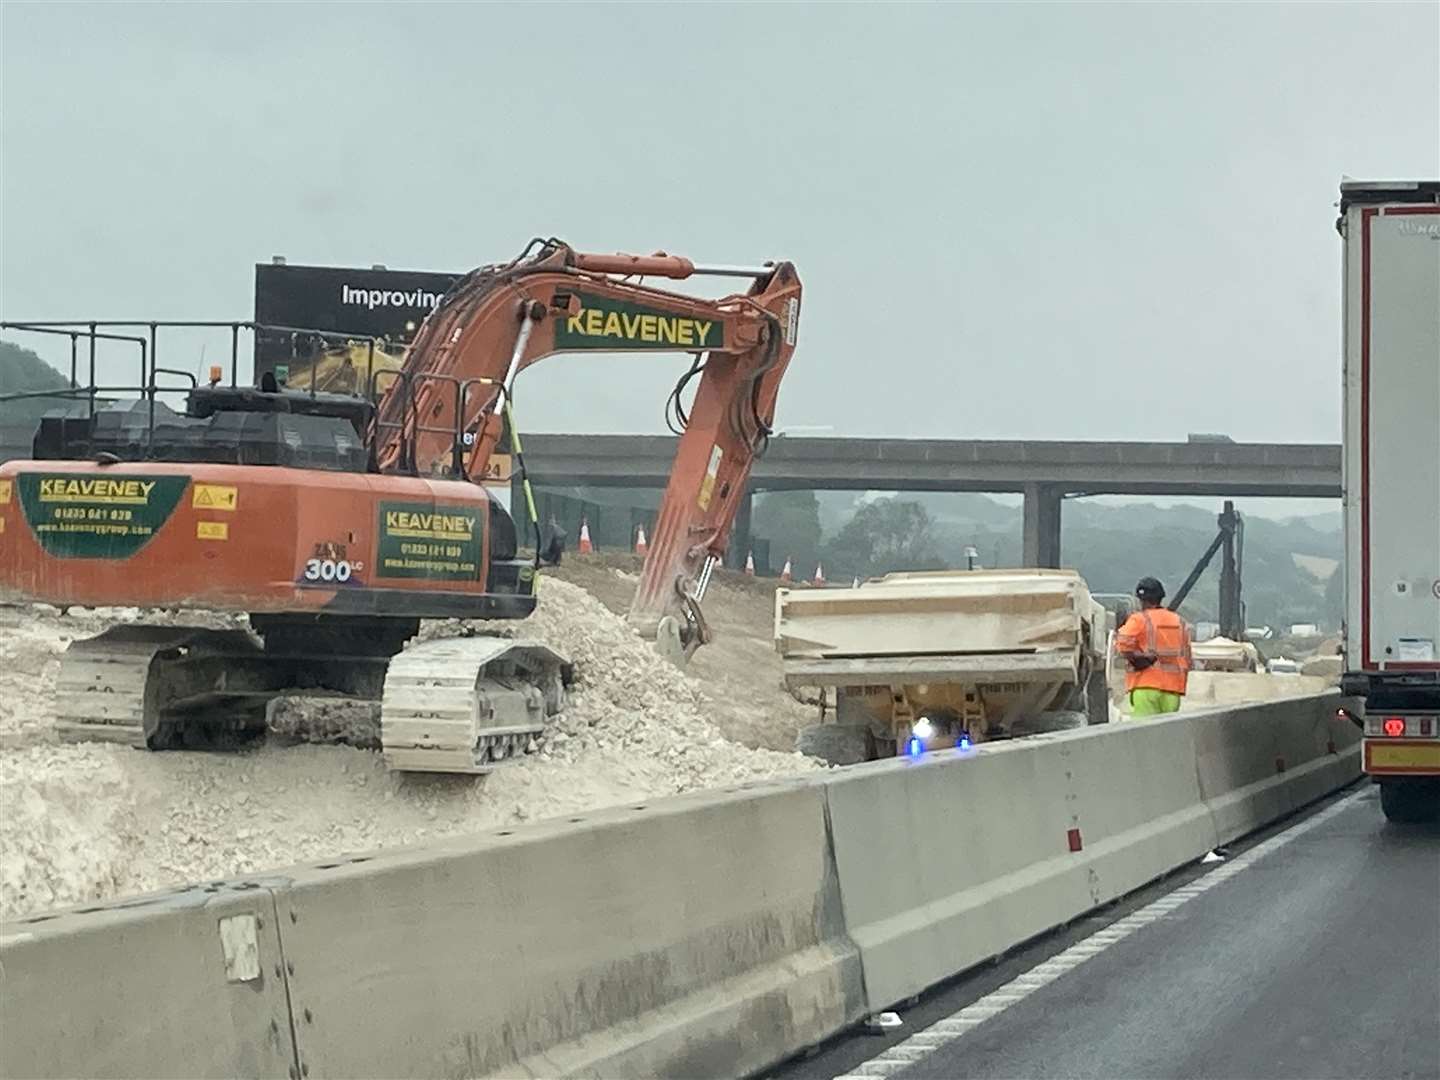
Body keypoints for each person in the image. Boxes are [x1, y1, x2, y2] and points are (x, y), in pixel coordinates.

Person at [1114, 577, 1192, 717]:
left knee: (1145, 735)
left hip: (1145, 686)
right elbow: (1187, 656)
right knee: (1166, 735)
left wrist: (1137, 657)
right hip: (1172, 690)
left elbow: (1123, 643)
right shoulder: (1179, 621)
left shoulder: (1140, 619)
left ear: (1141, 599)